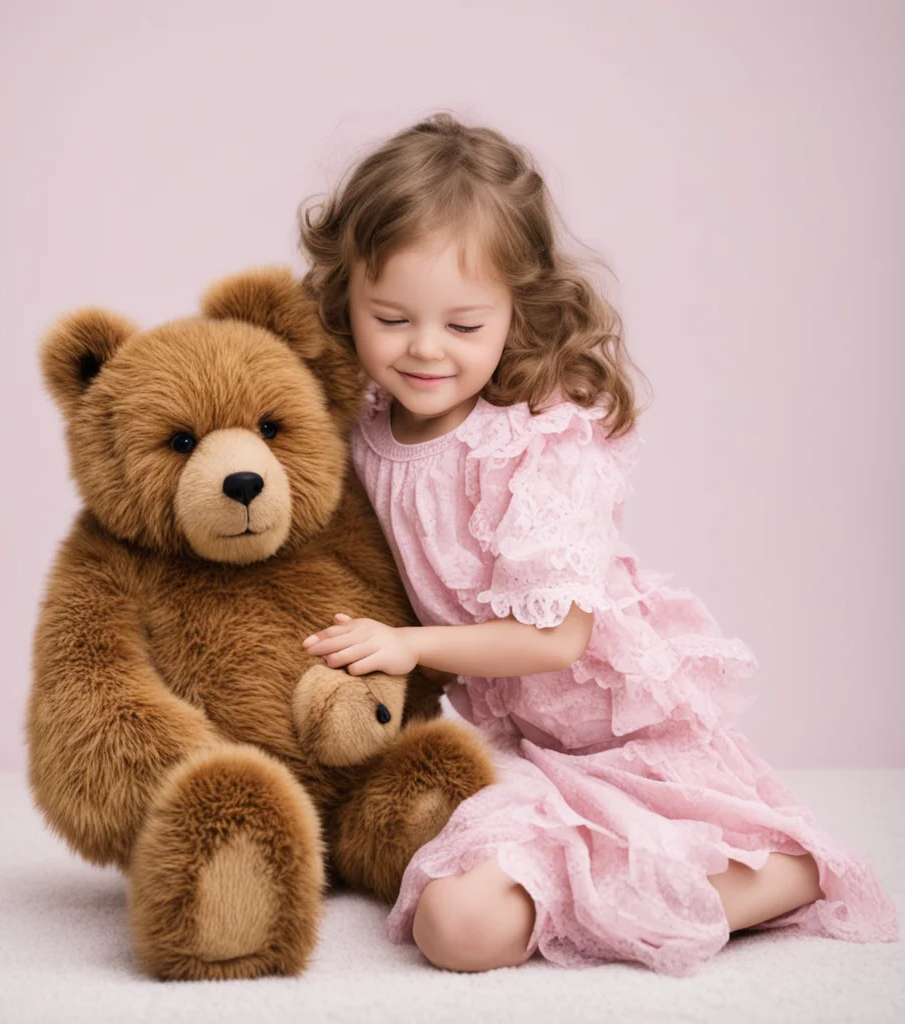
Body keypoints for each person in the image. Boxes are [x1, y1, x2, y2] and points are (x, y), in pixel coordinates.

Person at [297, 112, 897, 975]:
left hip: (613, 732)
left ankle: (774, 875)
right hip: (512, 746)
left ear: (518, 309)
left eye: (464, 326)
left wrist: (405, 645)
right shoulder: (362, 427)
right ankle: (612, 879)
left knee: (457, 931)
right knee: (454, 926)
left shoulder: (536, 441)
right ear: (346, 297)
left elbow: (559, 639)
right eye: (390, 317)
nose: (424, 349)